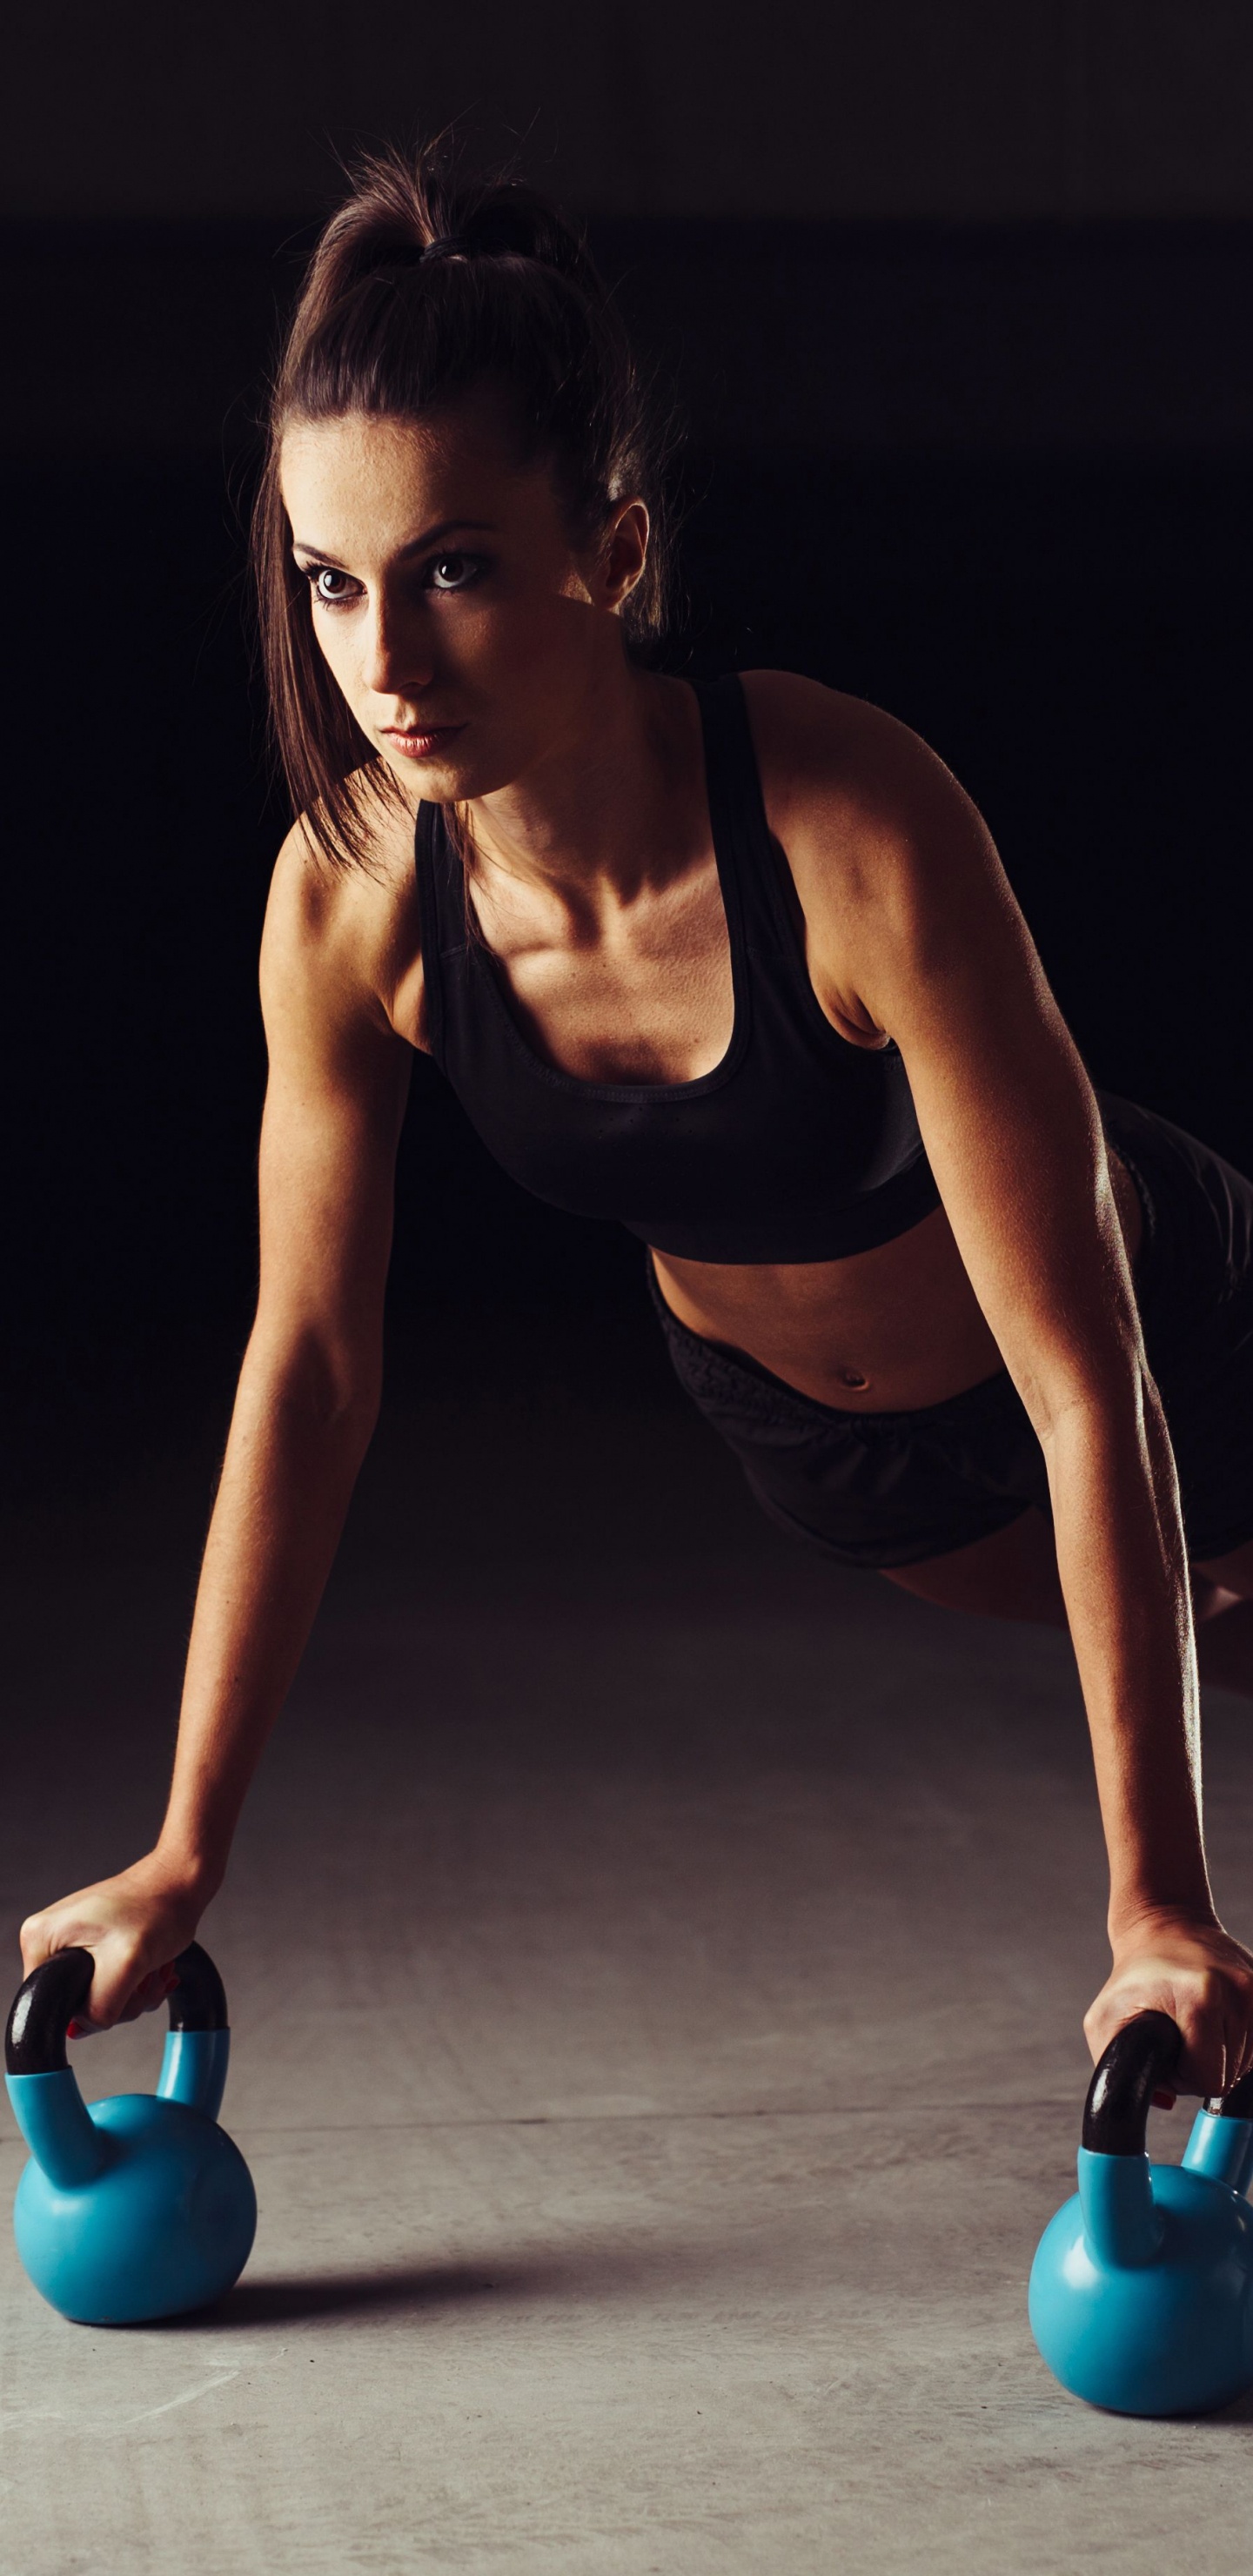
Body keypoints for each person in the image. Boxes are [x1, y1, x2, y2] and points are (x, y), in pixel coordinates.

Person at [21, 148, 1253, 2103]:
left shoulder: (851, 823)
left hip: (1168, 1321)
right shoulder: (346, 902)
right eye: (332, 583)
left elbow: (1088, 1374)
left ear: (613, 549)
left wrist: (1152, 1909)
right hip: (853, 1476)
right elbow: (313, 1364)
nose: (384, 666)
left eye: (454, 568)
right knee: (1226, 1624)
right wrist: (184, 1848)